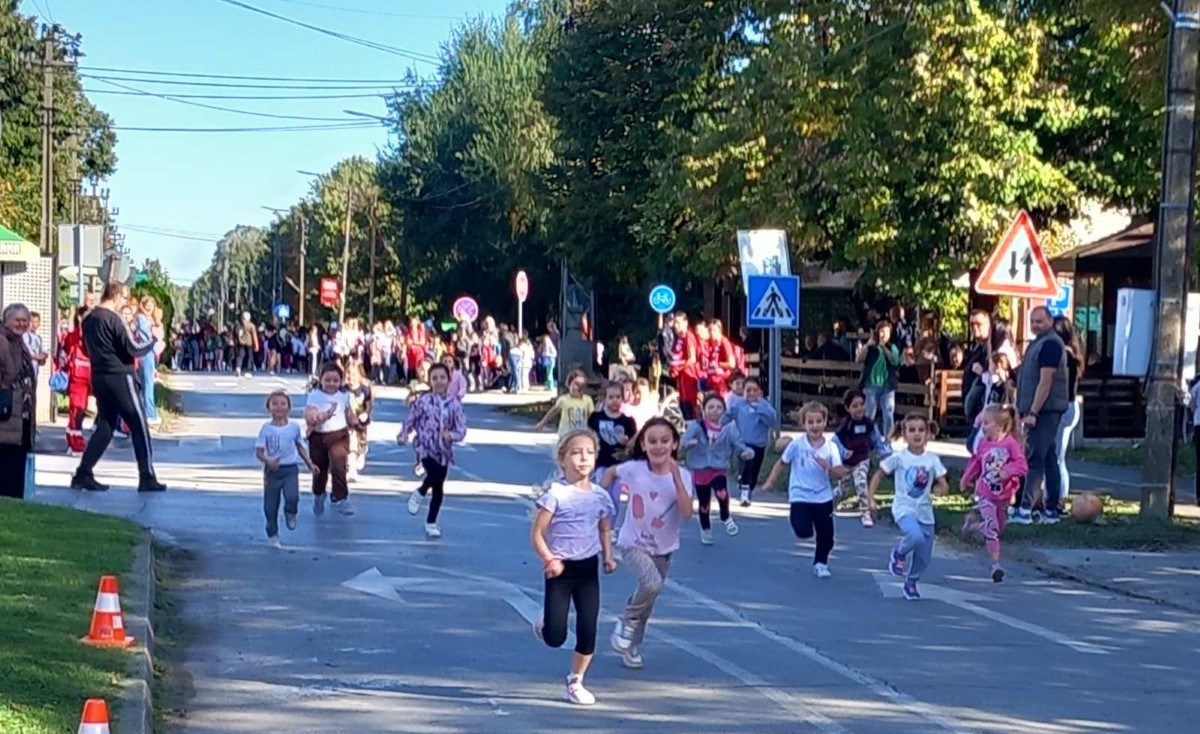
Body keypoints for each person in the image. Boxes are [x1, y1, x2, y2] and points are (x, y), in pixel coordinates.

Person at [530, 429, 617, 706]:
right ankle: (546, 622)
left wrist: (608, 557)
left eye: (589, 453)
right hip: (560, 570)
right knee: (555, 637)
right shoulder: (556, 494)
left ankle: (575, 681)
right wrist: (549, 560)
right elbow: (537, 534)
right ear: (563, 459)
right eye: (576, 452)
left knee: (588, 628)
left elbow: (604, 528)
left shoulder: (600, 496)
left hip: (588, 569)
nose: (583, 458)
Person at [603, 417, 694, 670]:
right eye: (652, 441)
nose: (658, 446)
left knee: (648, 598)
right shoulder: (634, 469)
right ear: (643, 444)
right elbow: (611, 472)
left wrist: (676, 478)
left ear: (674, 443)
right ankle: (627, 620)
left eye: (665, 441)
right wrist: (600, 498)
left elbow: (687, 514)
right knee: (651, 584)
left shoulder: (684, 476)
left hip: (664, 549)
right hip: (633, 542)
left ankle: (632, 644)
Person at [70, 282, 164, 493]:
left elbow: (85, 347)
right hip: (121, 376)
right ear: (116, 296)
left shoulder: (89, 319)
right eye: (124, 297)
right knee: (139, 424)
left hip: (99, 376)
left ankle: (83, 472)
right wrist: (153, 341)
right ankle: (146, 475)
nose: (125, 302)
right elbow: (133, 347)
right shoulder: (114, 318)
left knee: (105, 425)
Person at [868, 414, 949, 600]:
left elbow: (942, 484)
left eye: (921, 430)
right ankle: (898, 554)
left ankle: (911, 582)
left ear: (928, 434)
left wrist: (940, 489)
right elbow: (878, 475)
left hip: (925, 513)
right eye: (912, 430)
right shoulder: (899, 458)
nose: (917, 434)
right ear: (904, 434)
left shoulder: (932, 460)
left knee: (924, 557)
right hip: (904, 508)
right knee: (915, 535)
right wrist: (870, 498)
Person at [760, 402, 845, 578]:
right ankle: (799, 518)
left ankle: (821, 563)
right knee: (803, 531)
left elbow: (840, 473)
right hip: (800, 494)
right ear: (804, 424)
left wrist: (827, 466)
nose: (815, 426)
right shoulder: (797, 445)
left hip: (823, 496)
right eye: (810, 422)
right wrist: (770, 482)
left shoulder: (831, 447)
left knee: (827, 536)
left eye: (819, 421)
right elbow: (782, 463)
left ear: (825, 422)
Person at [1014, 306, 1070, 524]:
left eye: (1040, 321)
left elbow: (1046, 382)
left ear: (1049, 321)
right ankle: (1051, 510)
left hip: (1046, 410)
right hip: (1036, 409)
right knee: (1048, 458)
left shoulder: (1050, 345)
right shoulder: (1036, 344)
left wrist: (1034, 412)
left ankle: (1025, 509)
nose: (1036, 325)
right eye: (1033, 321)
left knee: (1035, 457)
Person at [400, 362, 467, 539]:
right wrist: (404, 434)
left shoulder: (454, 404)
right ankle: (421, 492)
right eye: (435, 378)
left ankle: (431, 522)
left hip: (443, 451)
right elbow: (411, 419)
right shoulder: (424, 401)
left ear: (449, 379)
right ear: (429, 381)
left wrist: (451, 435)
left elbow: (461, 429)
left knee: (438, 487)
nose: (439, 381)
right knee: (434, 474)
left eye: (442, 377)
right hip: (425, 446)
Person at [961, 404, 1028, 583]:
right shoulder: (983, 444)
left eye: (987, 423)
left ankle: (973, 526)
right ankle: (995, 566)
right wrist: (966, 479)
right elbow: (976, 462)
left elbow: (1022, 466)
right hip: (985, 492)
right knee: (991, 528)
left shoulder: (1010, 444)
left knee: (998, 528)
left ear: (999, 426)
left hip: (1003, 495)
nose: (983, 427)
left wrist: (1008, 471)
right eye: (982, 423)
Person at [682, 393, 752, 545]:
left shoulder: (728, 429)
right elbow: (683, 442)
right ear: (704, 409)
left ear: (724, 410)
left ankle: (725, 516)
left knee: (722, 492)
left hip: (718, 467)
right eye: (711, 407)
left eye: (719, 407)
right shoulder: (696, 427)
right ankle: (705, 530)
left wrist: (745, 452)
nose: (715, 410)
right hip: (700, 469)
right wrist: (689, 443)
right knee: (704, 503)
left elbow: (738, 444)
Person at [256, 390, 315, 548]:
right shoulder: (266, 429)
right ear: (269, 407)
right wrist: (268, 461)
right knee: (270, 506)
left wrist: (310, 463)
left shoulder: (294, 428)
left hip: (290, 469)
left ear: (289, 407)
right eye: (274, 404)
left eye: (283, 404)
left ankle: (291, 512)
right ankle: (272, 533)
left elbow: (300, 447)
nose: (279, 407)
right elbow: (259, 452)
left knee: (292, 496)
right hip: (272, 472)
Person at [832, 388, 891, 528]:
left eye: (861, 404)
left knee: (861, 483)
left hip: (862, 459)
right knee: (843, 489)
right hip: (846, 462)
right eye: (854, 406)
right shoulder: (846, 424)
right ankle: (832, 503)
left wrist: (883, 452)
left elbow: (875, 438)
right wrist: (843, 451)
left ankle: (865, 512)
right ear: (847, 408)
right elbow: (835, 441)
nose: (859, 408)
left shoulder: (868, 423)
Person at [305, 361, 358, 516]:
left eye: (335, 380)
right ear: (320, 380)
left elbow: (348, 413)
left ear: (340, 381)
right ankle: (319, 494)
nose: (331, 384)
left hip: (339, 435)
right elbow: (309, 414)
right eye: (327, 380)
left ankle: (341, 498)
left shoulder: (344, 396)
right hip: (319, 436)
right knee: (319, 469)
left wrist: (355, 421)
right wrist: (319, 416)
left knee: (338, 467)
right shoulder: (314, 396)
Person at [721, 376, 778, 507]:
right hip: (742, 443)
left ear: (760, 392)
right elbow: (727, 416)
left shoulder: (765, 406)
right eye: (748, 390)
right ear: (744, 391)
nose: (751, 393)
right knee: (747, 464)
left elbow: (773, 422)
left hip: (759, 444)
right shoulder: (739, 405)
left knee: (754, 471)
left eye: (754, 390)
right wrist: (717, 427)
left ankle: (747, 487)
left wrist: (760, 409)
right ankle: (744, 494)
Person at [587, 382, 636, 524]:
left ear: (623, 398)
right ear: (604, 399)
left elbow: (633, 443)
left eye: (618, 397)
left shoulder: (627, 421)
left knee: (615, 496)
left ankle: (610, 527)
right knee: (602, 494)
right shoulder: (596, 417)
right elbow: (588, 435)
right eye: (611, 397)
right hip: (601, 462)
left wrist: (627, 442)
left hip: (618, 465)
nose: (615, 400)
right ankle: (598, 523)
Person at [0, 304, 36, 500]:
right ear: (7, 320)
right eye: (18, 320)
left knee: (15, 468)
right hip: (5, 415)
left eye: (25, 320)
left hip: (19, 416)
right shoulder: (3, 341)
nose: (22, 324)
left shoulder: (19, 342)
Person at [1053, 316, 1084, 500]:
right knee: (1058, 457)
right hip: (1071, 406)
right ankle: (1057, 494)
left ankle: (1060, 495)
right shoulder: (1074, 353)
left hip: (1065, 407)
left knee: (1057, 457)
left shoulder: (1065, 355)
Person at [859, 319, 901, 438]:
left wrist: (884, 348)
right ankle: (866, 438)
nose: (883, 335)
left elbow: (895, 361)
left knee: (888, 413)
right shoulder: (871, 347)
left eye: (886, 332)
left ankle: (888, 438)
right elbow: (860, 359)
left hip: (887, 385)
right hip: (871, 384)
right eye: (881, 332)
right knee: (869, 413)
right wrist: (867, 345)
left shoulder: (892, 347)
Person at [59, 307, 92, 456]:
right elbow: (64, 354)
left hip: (88, 376)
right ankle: (75, 441)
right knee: (77, 410)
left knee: (80, 410)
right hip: (77, 376)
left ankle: (73, 439)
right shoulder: (74, 336)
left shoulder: (92, 335)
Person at [534, 369, 594, 438]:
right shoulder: (563, 399)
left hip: (581, 434)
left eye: (582, 385)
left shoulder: (587, 400)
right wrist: (542, 422)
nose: (579, 388)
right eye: (576, 384)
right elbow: (553, 411)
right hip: (565, 434)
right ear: (569, 384)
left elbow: (592, 416)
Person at [134, 296, 160, 427]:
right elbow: (147, 337)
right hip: (145, 353)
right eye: (147, 305)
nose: (149, 308)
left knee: (147, 383)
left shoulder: (150, 319)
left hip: (150, 353)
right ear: (142, 305)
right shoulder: (141, 318)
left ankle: (148, 411)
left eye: (151, 305)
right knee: (147, 384)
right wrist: (154, 331)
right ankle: (150, 413)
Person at [346, 361, 374, 482]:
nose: (350, 377)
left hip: (361, 421)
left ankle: (362, 451)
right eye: (348, 374)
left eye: (353, 374)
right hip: (347, 422)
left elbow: (369, 405)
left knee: (360, 442)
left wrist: (366, 414)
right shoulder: (342, 389)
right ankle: (351, 470)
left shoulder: (365, 390)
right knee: (350, 445)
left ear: (359, 375)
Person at [21, 310, 48, 383]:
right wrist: (38, 357)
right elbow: (26, 353)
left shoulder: (38, 338)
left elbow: (44, 353)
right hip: (26, 372)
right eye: (31, 321)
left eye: (36, 322)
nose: (33, 324)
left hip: (35, 372)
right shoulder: (25, 335)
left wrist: (44, 357)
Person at [234, 312, 257, 378]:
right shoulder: (251, 325)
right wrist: (256, 345)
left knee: (240, 356)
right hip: (248, 343)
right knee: (249, 357)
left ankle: (238, 368)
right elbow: (254, 336)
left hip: (240, 343)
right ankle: (247, 370)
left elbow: (235, 334)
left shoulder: (238, 325)